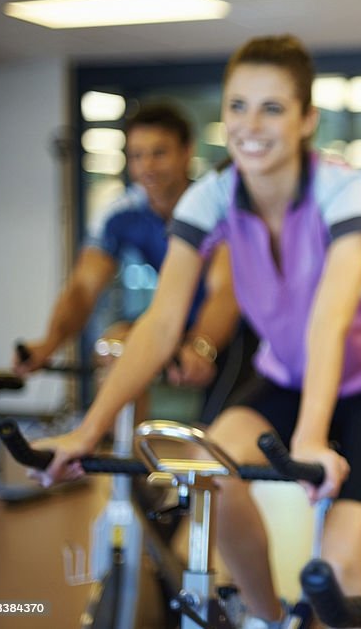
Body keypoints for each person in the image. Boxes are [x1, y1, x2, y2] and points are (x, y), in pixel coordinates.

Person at [33, 34, 361, 628]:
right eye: (238, 106)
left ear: (306, 120)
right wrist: (87, 432)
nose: (251, 124)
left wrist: (313, 436)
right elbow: (163, 320)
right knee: (209, 469)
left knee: (344, 566)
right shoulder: (211, 197)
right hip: (287, 379)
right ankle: (268, 620)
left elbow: (329, 316)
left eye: (272, 107)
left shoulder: (341, 189)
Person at [14, 103, 243, 421]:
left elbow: (225, 292)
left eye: (159, 153)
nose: (146, 166)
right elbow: (83, 286)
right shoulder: (122, 212)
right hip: (174, 321)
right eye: (136, 156)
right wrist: (50, 343)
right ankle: (128, 460)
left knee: (220, 435)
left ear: (186, 152)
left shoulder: (214, 207)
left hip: (233, 330)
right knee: (113, 346)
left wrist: (200, 346)